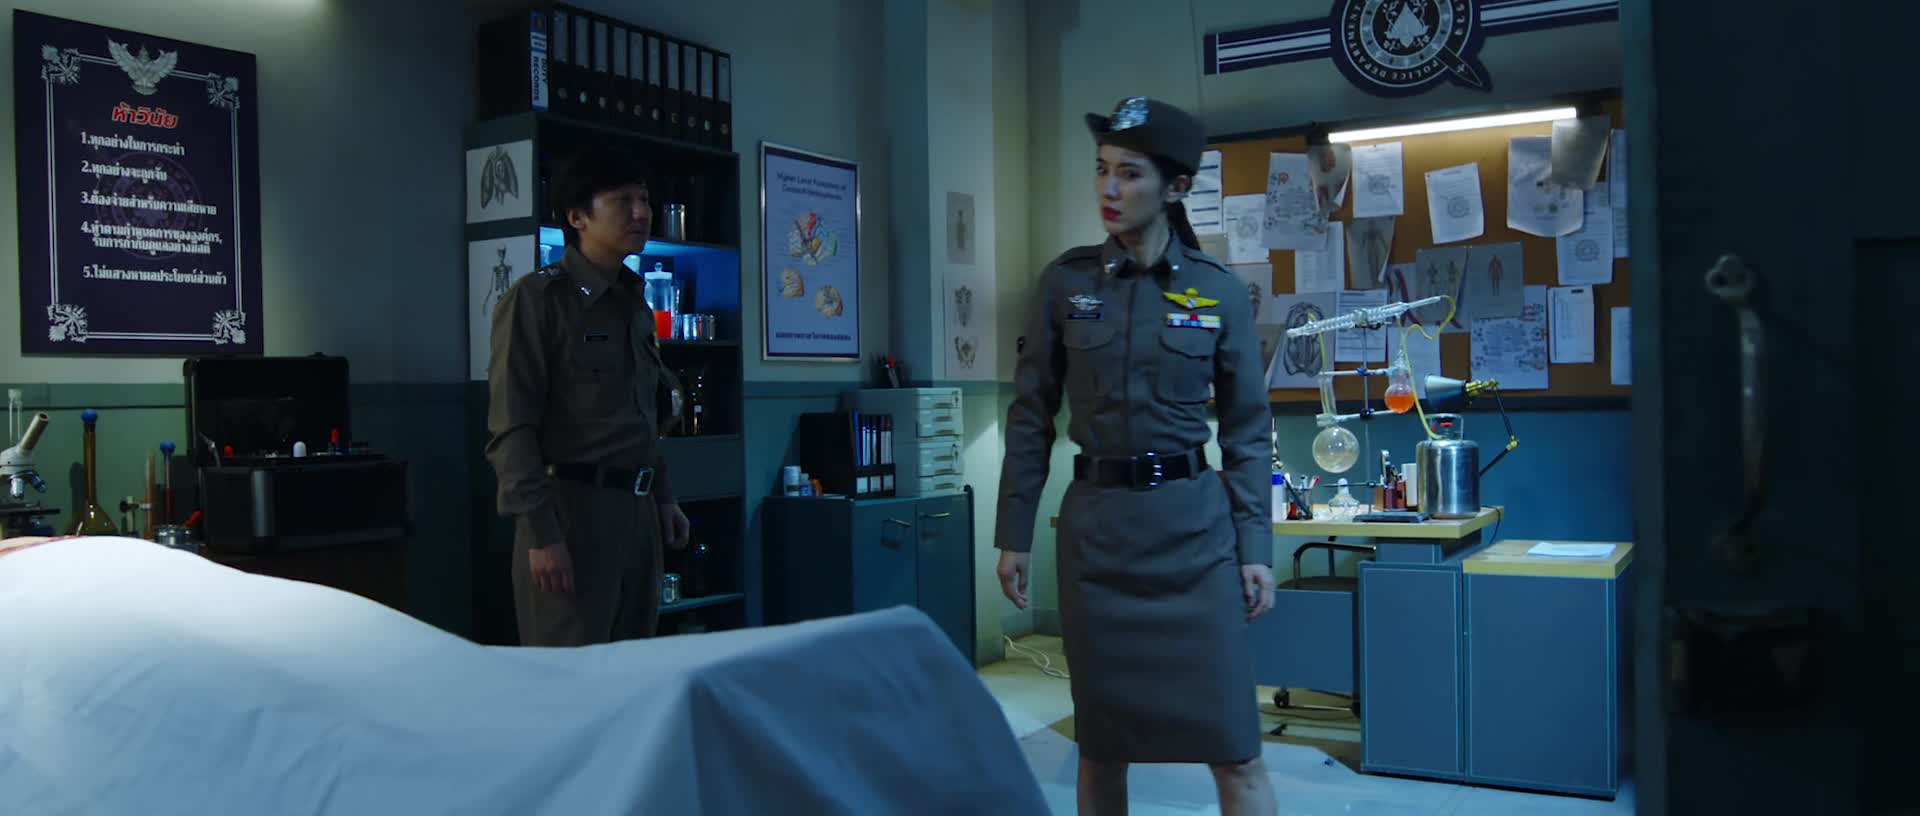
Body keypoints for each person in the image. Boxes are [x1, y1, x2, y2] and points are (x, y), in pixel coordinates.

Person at [994, 97, 1279, 815]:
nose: (1109, 189)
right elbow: (1031, 415)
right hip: (1099, 540)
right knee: (1101, 746)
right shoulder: (1066, 284)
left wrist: (1255, 547)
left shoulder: (1217, 291)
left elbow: (1247, 430)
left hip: (1195, 539)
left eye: (1128, 173)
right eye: (1101, 170)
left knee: (1236, 749)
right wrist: (1014, 532)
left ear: (1176, 186)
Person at [485, 148, 692, 647]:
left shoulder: (635, 304)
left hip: (638, 515)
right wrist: (542, 534)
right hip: (572, 514)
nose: (640, 212)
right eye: (622, 201)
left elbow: (642, 415)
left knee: (634, 669)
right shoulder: (538, 301)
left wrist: (664, 497)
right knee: (569, 671)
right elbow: (511, 429)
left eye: (644, 199)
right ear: (577, 217)